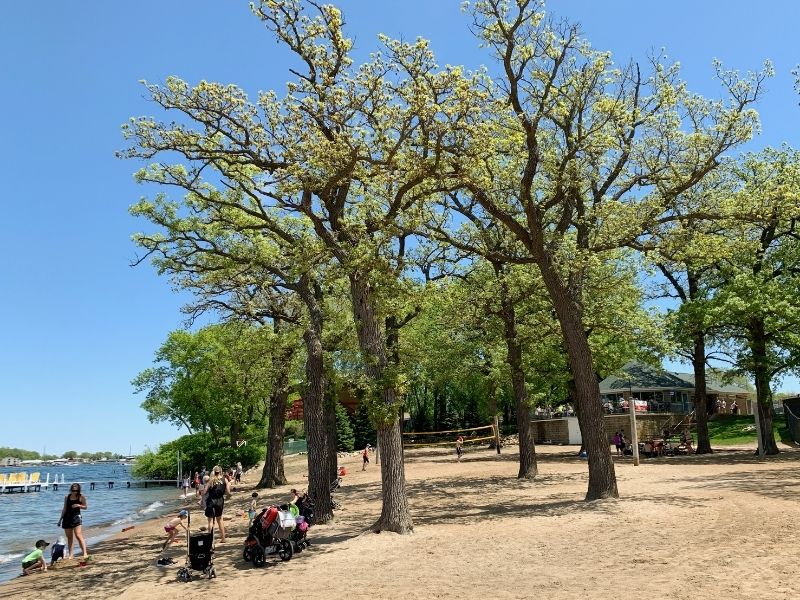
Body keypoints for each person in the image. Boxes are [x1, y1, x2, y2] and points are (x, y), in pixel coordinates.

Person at [58, 483, 88, 560]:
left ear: (78, 490)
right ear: (71, 489)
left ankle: (84, 553)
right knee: (69, 537)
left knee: (78, 535)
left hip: (76, 517)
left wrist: (79, 505)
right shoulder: (67, 497)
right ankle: (71, 555)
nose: (74, 492)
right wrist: (60, 519)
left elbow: (85, 507)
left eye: (76, 490)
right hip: (67, 518)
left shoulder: (81, 497)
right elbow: (64, 509)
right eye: (73, 490)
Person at [203, 466, 231, 543]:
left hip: (211, 500)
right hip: (220, 501)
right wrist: (229, 495)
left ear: (214, 471)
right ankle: (223, 538)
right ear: (221, 471)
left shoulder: (210, 480)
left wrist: (202, 496)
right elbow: (228, 492)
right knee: (220, 520)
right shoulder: (224, 479)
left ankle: (210, 539)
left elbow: (204, 491)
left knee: (210, 520)